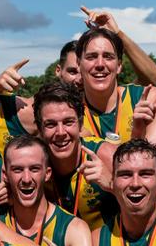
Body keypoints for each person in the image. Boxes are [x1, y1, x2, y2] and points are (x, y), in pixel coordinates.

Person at [33, 80, 116, 229]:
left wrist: (113, 185)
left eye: (68, 122)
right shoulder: (32, 164)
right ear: (39, 129)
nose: (60, 133)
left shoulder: (107, 156)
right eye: (50, 124)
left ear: (81, 123)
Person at [76, 27, 156, 149]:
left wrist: (138, 132)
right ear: (79, 64)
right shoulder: (70, 113)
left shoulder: (146, 99)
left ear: (119, 65)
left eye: (108, 56)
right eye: (91, 57)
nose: (100, 64)